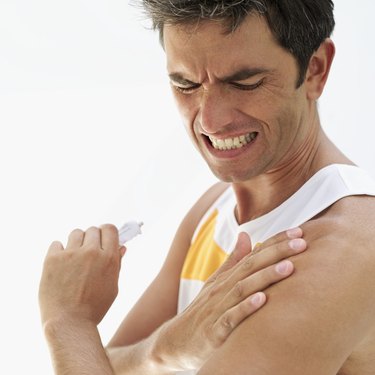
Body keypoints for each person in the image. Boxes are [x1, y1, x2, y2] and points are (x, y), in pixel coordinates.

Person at [39, 1, 375, 374]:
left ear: (315, 70)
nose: (210, 120)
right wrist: (168, 347)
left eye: (244, 83)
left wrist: (67, 323)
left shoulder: (347, 248)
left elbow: (90, 358)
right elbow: (107, 365)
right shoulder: (212, 209)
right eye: (185, 84)